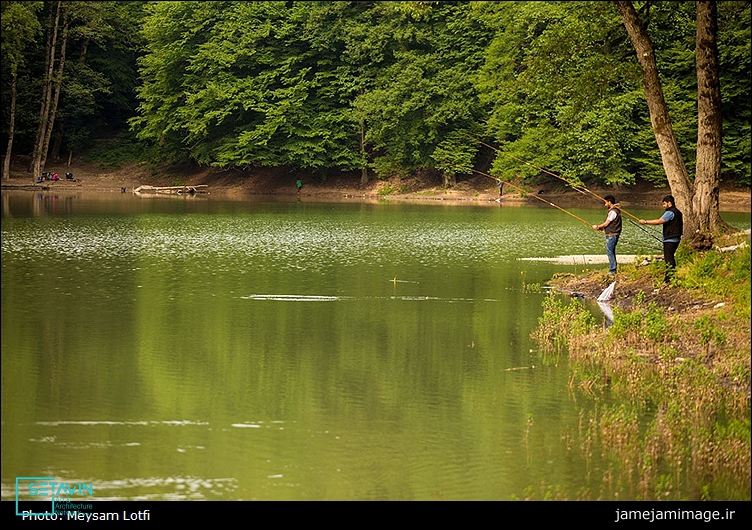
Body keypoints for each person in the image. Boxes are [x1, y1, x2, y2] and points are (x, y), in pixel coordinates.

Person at [639, 195, 683, 283]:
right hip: (676, 239)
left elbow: (659, 221)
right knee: (670, 258)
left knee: (668, 259)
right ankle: (671, 276)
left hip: (670, 240)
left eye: (664, 204)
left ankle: (668, 279)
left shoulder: (670, 212)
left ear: (669, 203)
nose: (663, 206)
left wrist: (645, 222)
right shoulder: (678, 212)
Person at [592, 194, 622, 275]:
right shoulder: (615, 210)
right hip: (612, 234)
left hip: (612, 235)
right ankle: (614, 268)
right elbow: (609, 224)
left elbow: (606, 223)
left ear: (609, 202)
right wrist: (602, 228)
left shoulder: (613, 212)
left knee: (610, 252)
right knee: (611, 251)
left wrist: (598, 226)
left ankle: (613, 270)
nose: (605, 204)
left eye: (605, 202)